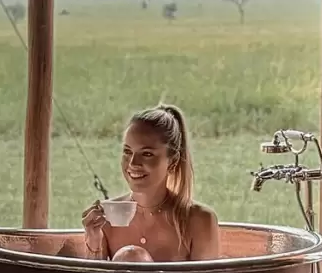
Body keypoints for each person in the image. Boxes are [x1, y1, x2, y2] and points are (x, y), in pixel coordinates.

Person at [82, 104, 221, 261]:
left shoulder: (199, 221)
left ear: (172, 161)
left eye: (147, 154)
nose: (133, 163)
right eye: (127, 152)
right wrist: (93, 240)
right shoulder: (108, 219)